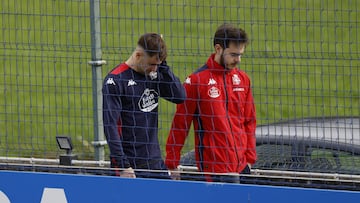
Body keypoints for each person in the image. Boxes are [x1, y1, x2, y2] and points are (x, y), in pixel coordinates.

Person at [165, 23, 257, 183]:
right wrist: (172, 163)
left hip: (243, 169)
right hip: (212, 171)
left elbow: (249, 121)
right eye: (234, 55)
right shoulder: (196, 81)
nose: (238, 60)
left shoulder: (243, 80)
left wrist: (249, 159)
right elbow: (180, 124)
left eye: (241, 54)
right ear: (218, 49)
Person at [102, 33, 186, 179]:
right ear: (138, 55)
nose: (154, 69)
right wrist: (123, 165)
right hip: (130, 165)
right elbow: (111, 126)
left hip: (154, 162)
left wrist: (163, 65)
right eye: (152, 64)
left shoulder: (154, 75)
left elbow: (179, 96)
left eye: (157, 65)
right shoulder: (116, 80)